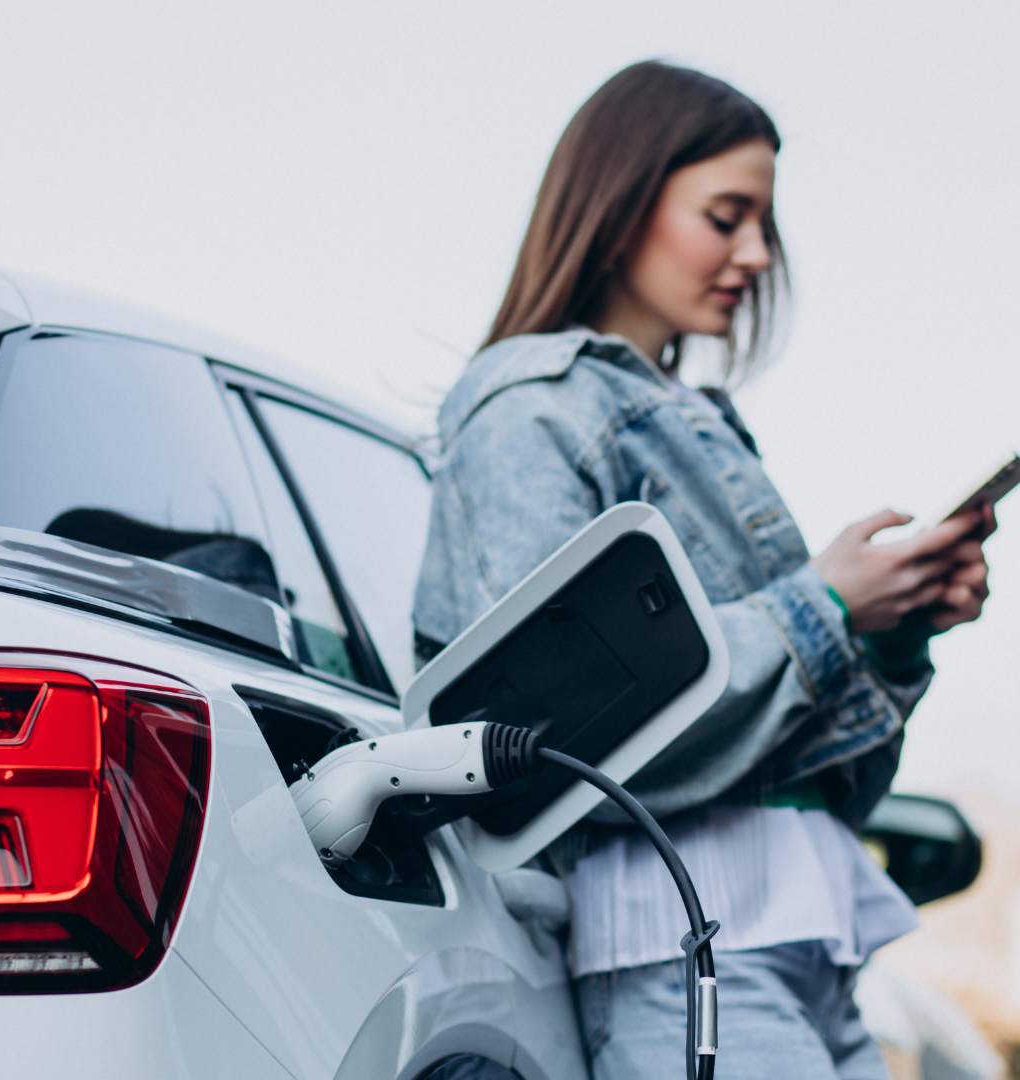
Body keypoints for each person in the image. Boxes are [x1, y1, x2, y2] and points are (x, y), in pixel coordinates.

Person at [412, 61, 993, 1080]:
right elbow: (559, 739)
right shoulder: (528, 410)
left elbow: (808, 781)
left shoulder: (705, 425)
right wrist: (821, 608)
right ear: (623, 200)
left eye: (761, 225)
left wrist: (892, 635)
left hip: (793, 954)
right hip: (683, 953)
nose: (756, 255)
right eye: (726, 217)